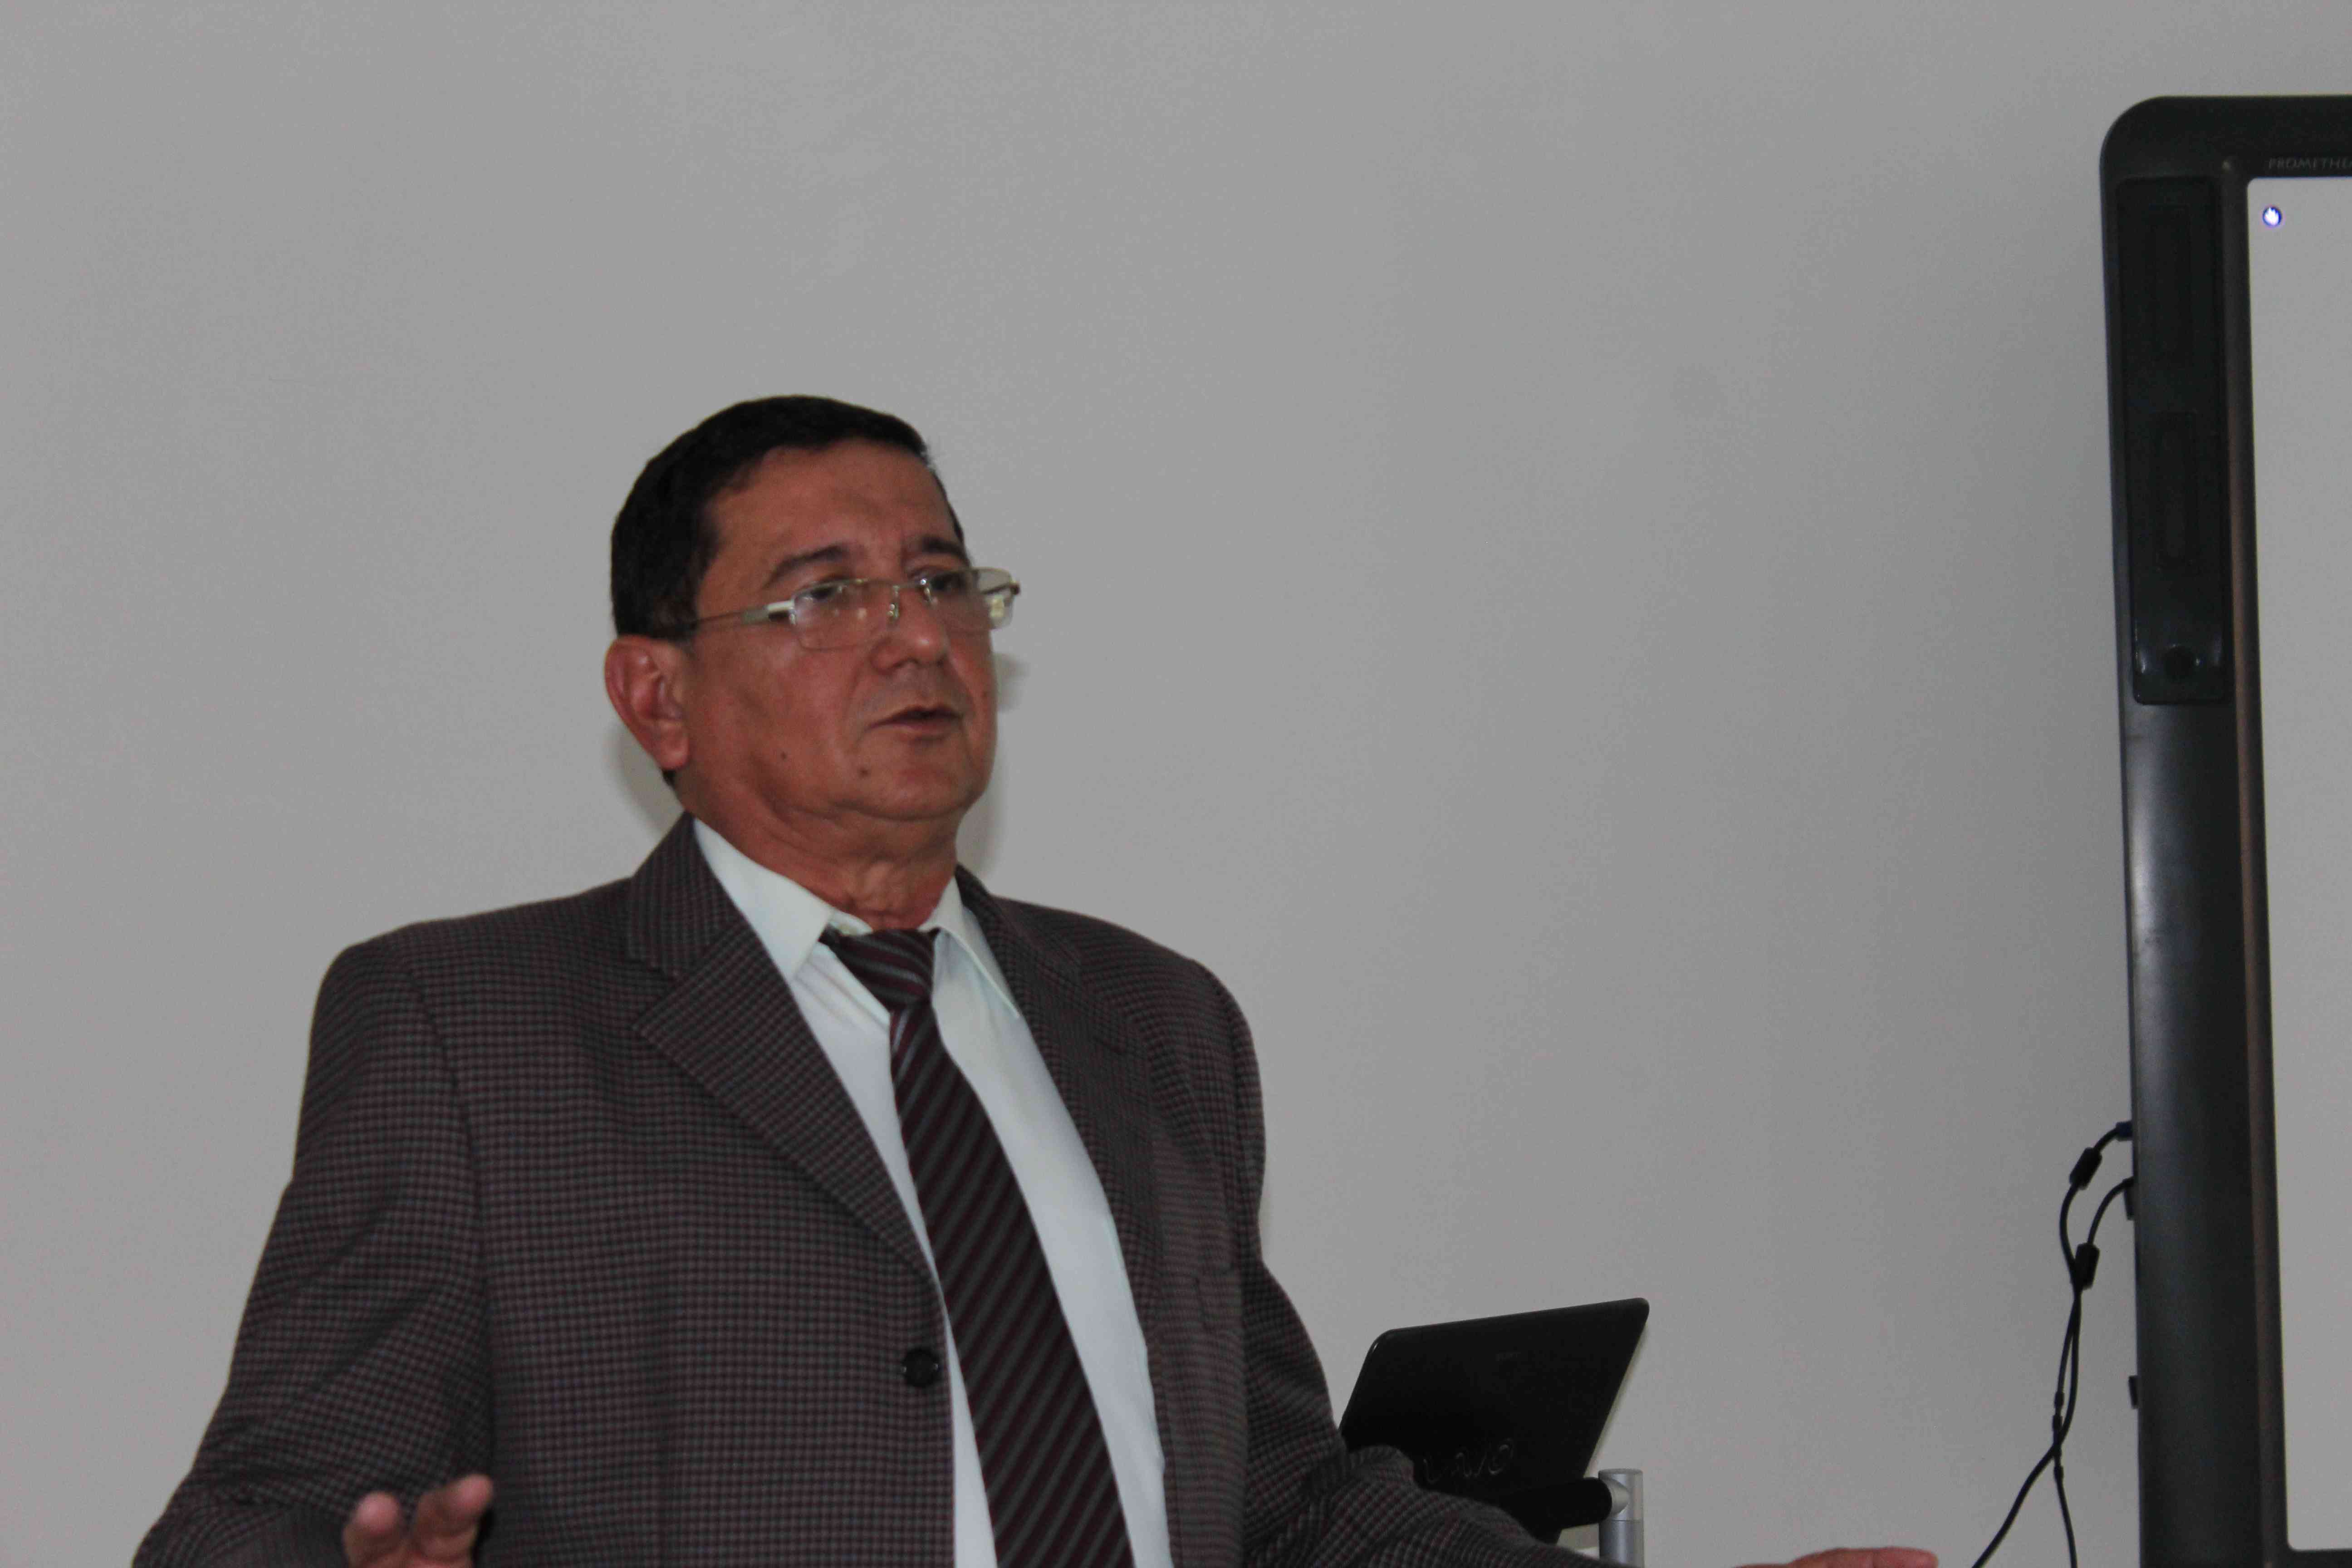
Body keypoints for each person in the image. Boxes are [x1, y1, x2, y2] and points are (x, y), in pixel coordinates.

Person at [139, 397, 1935, 1568]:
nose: (914, 635)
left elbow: (1284, 1505)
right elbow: (268, 1511)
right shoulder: (470, 1034)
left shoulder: (1154, 1024)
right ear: (657, 695)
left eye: (941, 580)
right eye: (822, 597)